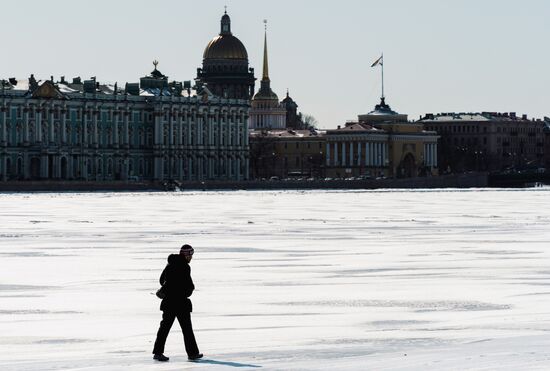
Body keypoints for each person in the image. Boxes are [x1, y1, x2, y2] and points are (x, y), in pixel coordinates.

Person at [152, 244, 203, 362]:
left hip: (169, 302)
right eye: (190, 255)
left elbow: (162, 281)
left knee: (164, 328)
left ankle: (158, 352)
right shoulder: (184, 267)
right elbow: (187, 285)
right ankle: (192, 353)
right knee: (187, 329)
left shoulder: (170, 264)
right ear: (186, 255)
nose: (191, 257)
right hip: (180, 302)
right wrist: (188, 290)